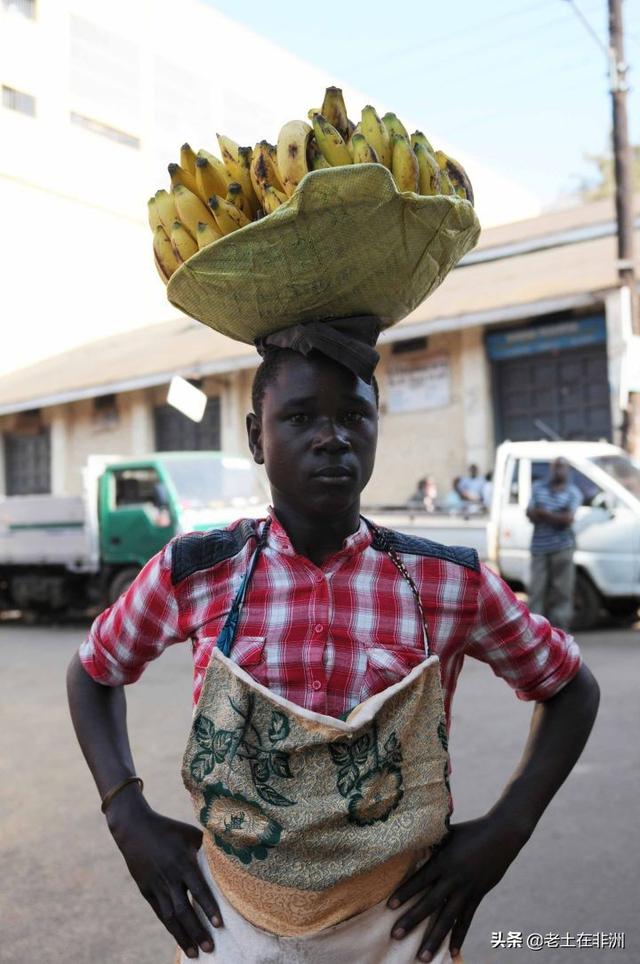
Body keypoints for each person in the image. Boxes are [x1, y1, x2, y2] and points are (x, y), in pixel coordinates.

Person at [67, 324, 599, 964]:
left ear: (376, 427)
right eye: (299, 417)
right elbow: (93, 672)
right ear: (255, 438)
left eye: (354, 415)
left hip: (401, 926)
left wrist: (505, 832)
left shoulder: (448, 581)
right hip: (230, 924)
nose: (332, 437)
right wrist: (127, 814)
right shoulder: (199, 569)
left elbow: (570, 686)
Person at [526, 457, 583, 631]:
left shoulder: (573, 492)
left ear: (567, 470)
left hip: (562, 547)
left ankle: (560, 630)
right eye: (556, 467)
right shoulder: (538, 487)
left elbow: (567, 519)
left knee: (562, 590)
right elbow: (530, 513)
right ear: (551, 469)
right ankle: (535, 630)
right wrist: (555, 515)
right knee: (537, 590)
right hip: (540, 547)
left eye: (562, 467)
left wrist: (544, 513)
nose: (558, 470)